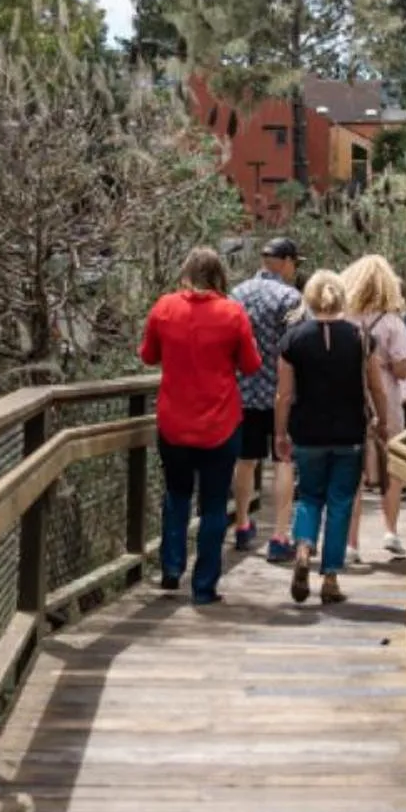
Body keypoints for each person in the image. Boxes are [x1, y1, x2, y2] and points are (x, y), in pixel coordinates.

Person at [138, 246, 259, 604]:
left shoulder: (164, 308)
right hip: (220, 424)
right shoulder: (233, 313)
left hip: (174, 422)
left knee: (176, 495)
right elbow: (251, 365)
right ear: (219, 275)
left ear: (186, 273)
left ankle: (172, 569)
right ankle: (204, 586)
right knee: (212, 504)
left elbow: (148, 356)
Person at [272, 269, 393, 605]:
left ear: (308, 299)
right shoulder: (360, 337)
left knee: (309, 497)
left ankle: (303, 547)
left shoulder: (293, 340)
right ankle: (329, 578)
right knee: (340, 502)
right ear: (342, 298)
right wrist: (382, 421)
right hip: (349, 433)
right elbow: (377, 388)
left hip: (307, 433)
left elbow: (283, 395)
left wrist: (279, 432)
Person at [343, 254, 406, 559]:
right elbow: (403, 370)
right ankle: (390, 531)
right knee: (392, 465)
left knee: (352, 470)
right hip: (386, 401)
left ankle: (351, 544)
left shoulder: (343, 320)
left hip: (350, 400)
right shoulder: (393, 323)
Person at [227, 236, 302, 563]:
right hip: (281, 394)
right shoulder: (290, 298)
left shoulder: (236, 295)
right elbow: (297, 348)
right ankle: (279, 535)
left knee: (245, 460)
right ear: (286, 262)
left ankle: (242, 525)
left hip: (242, 392)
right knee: (283, 459)